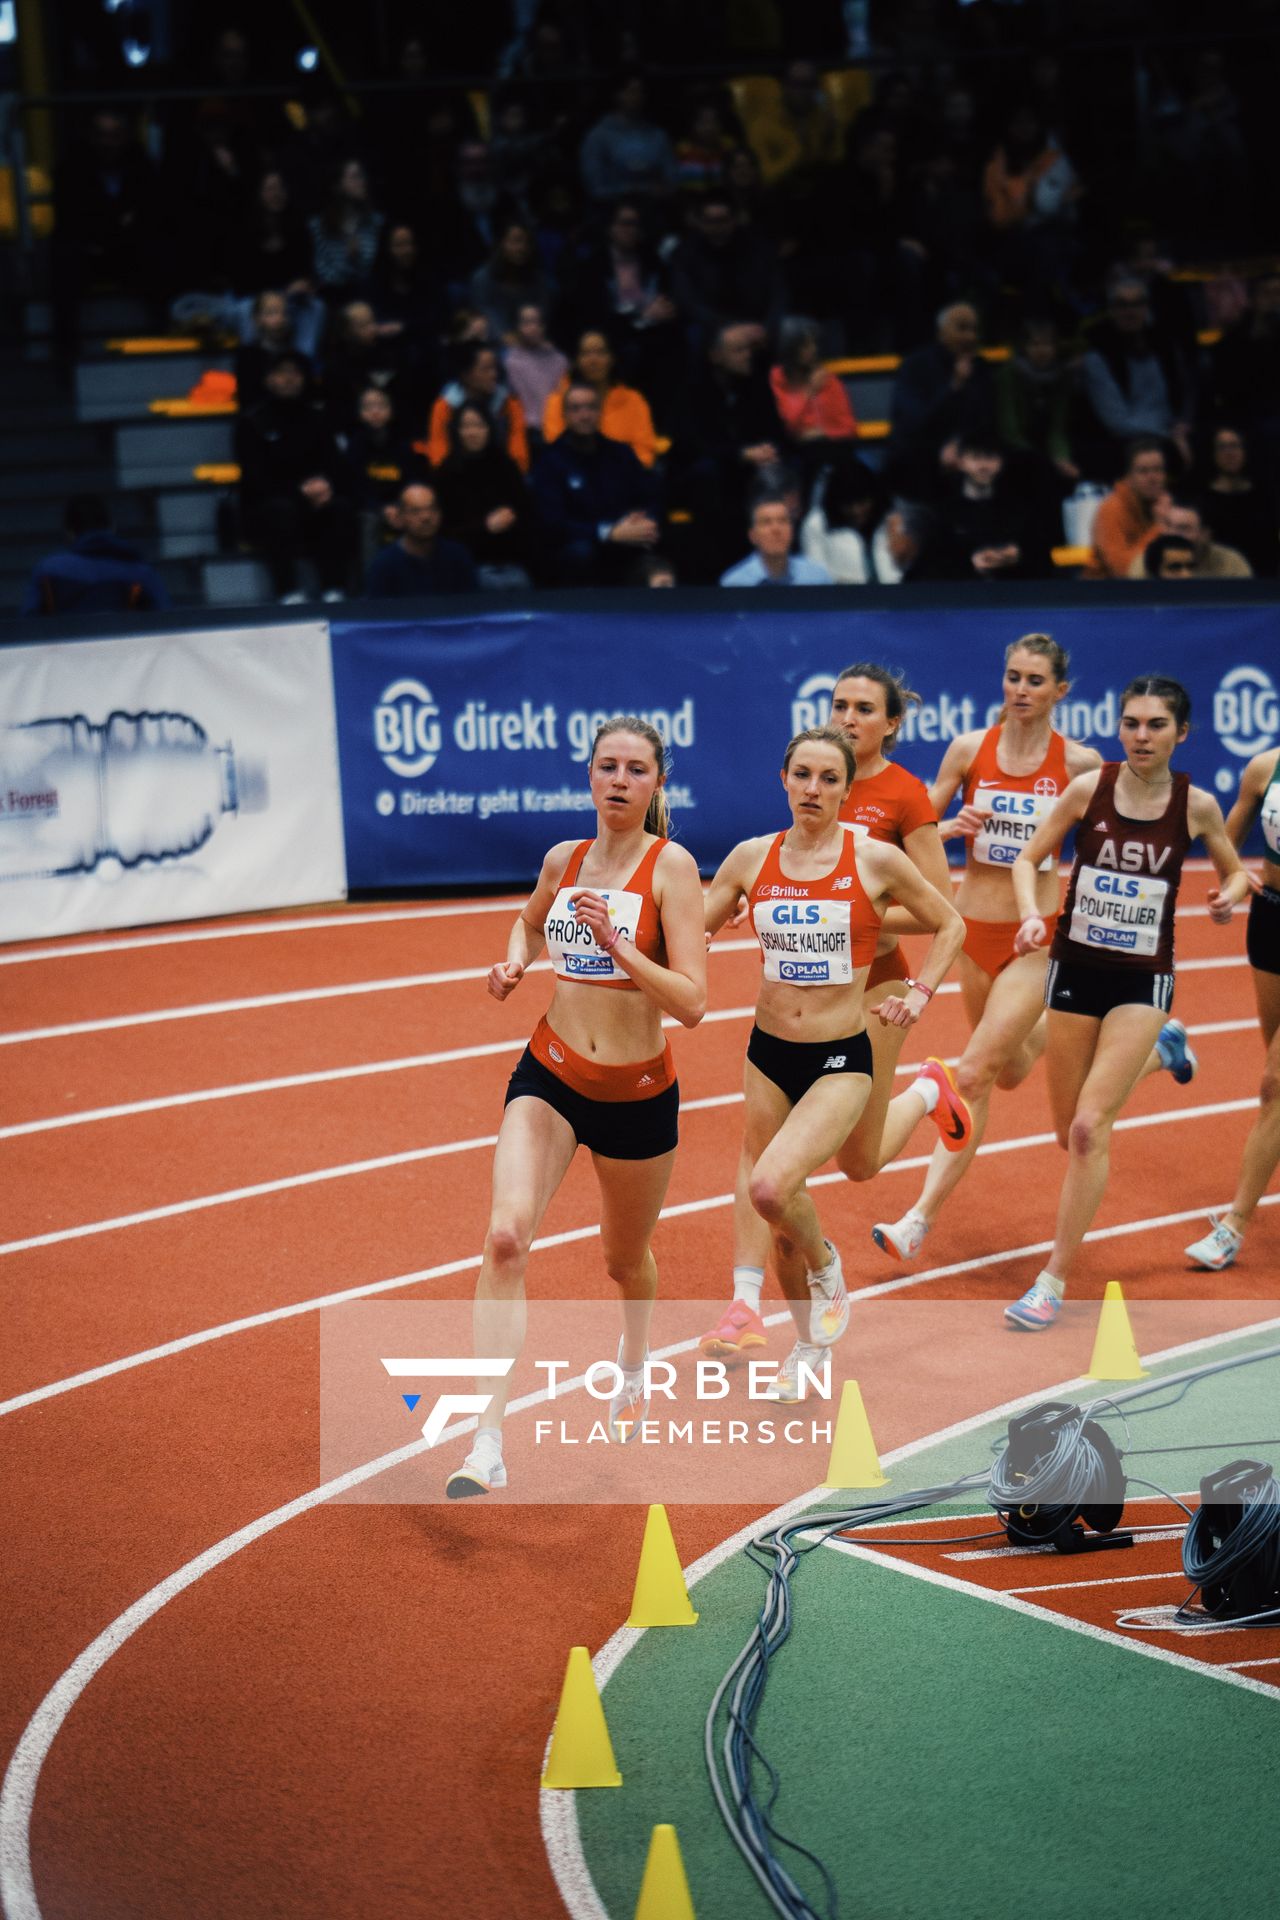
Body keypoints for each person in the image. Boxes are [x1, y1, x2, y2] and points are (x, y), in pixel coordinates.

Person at [445, 718, 706, 1495]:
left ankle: (633, 1362)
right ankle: (485, 1441)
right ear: (588, 777)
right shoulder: (566, 859)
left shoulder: (674, 868)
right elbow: (529, 920)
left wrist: (624, 951)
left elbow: (693, 1002)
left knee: (624, 1261)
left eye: (635, 769)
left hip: (637, 1095)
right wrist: (516, 961)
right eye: (606, 768)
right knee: (502, 1238)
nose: (619, 780)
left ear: (657, 783)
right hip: (550, 1074)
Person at [702, 667, 968, 1357]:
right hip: (767, 1051)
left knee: (778, 1183)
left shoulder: (876, 856)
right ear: (782, 781)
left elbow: (948, 922)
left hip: (841, 1049)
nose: (813, 789)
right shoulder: (750, 856)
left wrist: (919, 991)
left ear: (849, 790)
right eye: (802, 776)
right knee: (773, 1201)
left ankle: (826, 1266)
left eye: (828, 779)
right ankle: (804, 1347)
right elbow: (689, 931)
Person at [1002, 676, 1250, 1329]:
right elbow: (1030, 858)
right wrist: (1031, 914)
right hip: (1075, 968)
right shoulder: (1090, 790)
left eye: (1156, 725)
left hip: (1145, 978)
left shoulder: (1196, 805)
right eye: (1132, 723)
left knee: (1089, 1129)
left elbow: (1232, 867)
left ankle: (1051, 1281)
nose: (1142, 735)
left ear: (1181, 733)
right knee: (1065, 1131)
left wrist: (1229, 896)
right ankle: (1165, 1051)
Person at [873, 636, 1105, 1262]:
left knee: (969, 1074)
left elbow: (1106, 844)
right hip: (972, 927)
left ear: (1061, 691)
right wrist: (950, 828)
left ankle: (917, 1216)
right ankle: (1143, 1044)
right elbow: (914, 826)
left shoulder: (1080, 765)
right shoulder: (971, 749)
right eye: (1012, 677)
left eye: (1035, 680)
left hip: (1037, 934)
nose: (1020, 690)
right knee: (1010, 1072)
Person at [1184, 744, 1280, 1270]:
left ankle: (1235, 1224)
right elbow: (1227, 843)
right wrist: (1230, 890)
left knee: (1275, 1084)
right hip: (1270, 921)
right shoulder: (1265, 768)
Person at [530, 381, 661, 584]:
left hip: (626, 540)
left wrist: (645, 521)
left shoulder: (621, 453)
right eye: (576, 409)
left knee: (663, 541)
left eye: (591, 407)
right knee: (580, 553)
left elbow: (650, 497)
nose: (584, 415)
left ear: (601, 412)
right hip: (580, 547)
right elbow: (553, 524)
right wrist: (608, 533)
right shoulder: (549, 461)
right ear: (564, 415)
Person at [430, 402, 532, 589]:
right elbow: (444, 532)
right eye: (466, 426)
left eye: (479, 425)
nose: (472, 432)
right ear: (456, 431)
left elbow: (527, 515)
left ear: (489, 429)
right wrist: (485, 527)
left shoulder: (507, 466)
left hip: (512, 562)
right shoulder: (446, 473)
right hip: (469, 566)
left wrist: (510, 520)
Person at [23, 494, 169, 615]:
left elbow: (28, 626)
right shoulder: (140, 572)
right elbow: (166, 621)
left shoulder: (48, 570)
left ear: (69, 532)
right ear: (112, 527)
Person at [542, 329, 658, 467]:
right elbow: (556, 448)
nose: (593, 360)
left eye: (600, 352)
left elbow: (644, 451)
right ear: (576, 360)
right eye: (586, 353)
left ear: (611, 358)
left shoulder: (633, 400)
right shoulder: (558, 401)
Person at [363, 482, 479, 597]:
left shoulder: (458, 557)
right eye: (415, 511)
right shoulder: (384, 565)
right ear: (400, 517)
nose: (426, 517)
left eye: (432, 509)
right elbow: (377, 613)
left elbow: (472, 608)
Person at [1086, 436, 1167, 578]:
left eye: (1158, 470)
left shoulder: (1167, 505)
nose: (1153, 478)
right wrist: (1160, 527)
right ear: (1128, 476)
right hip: (1106, 594)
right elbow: (1123, 571)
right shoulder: (1111, 509)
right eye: (1143, 471)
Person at [1126, 496, 1251, 580]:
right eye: (1168, 525)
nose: (1172, 534)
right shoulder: (1144, 563)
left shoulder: (1232, 564)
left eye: (1183, 528)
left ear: (1205, 534)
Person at [720, 494, 833, 586]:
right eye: (766, 522)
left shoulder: (817, 578)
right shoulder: (735, 583)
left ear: (792, 530)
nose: (776, 529)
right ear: (752, 535)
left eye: (783, 520)